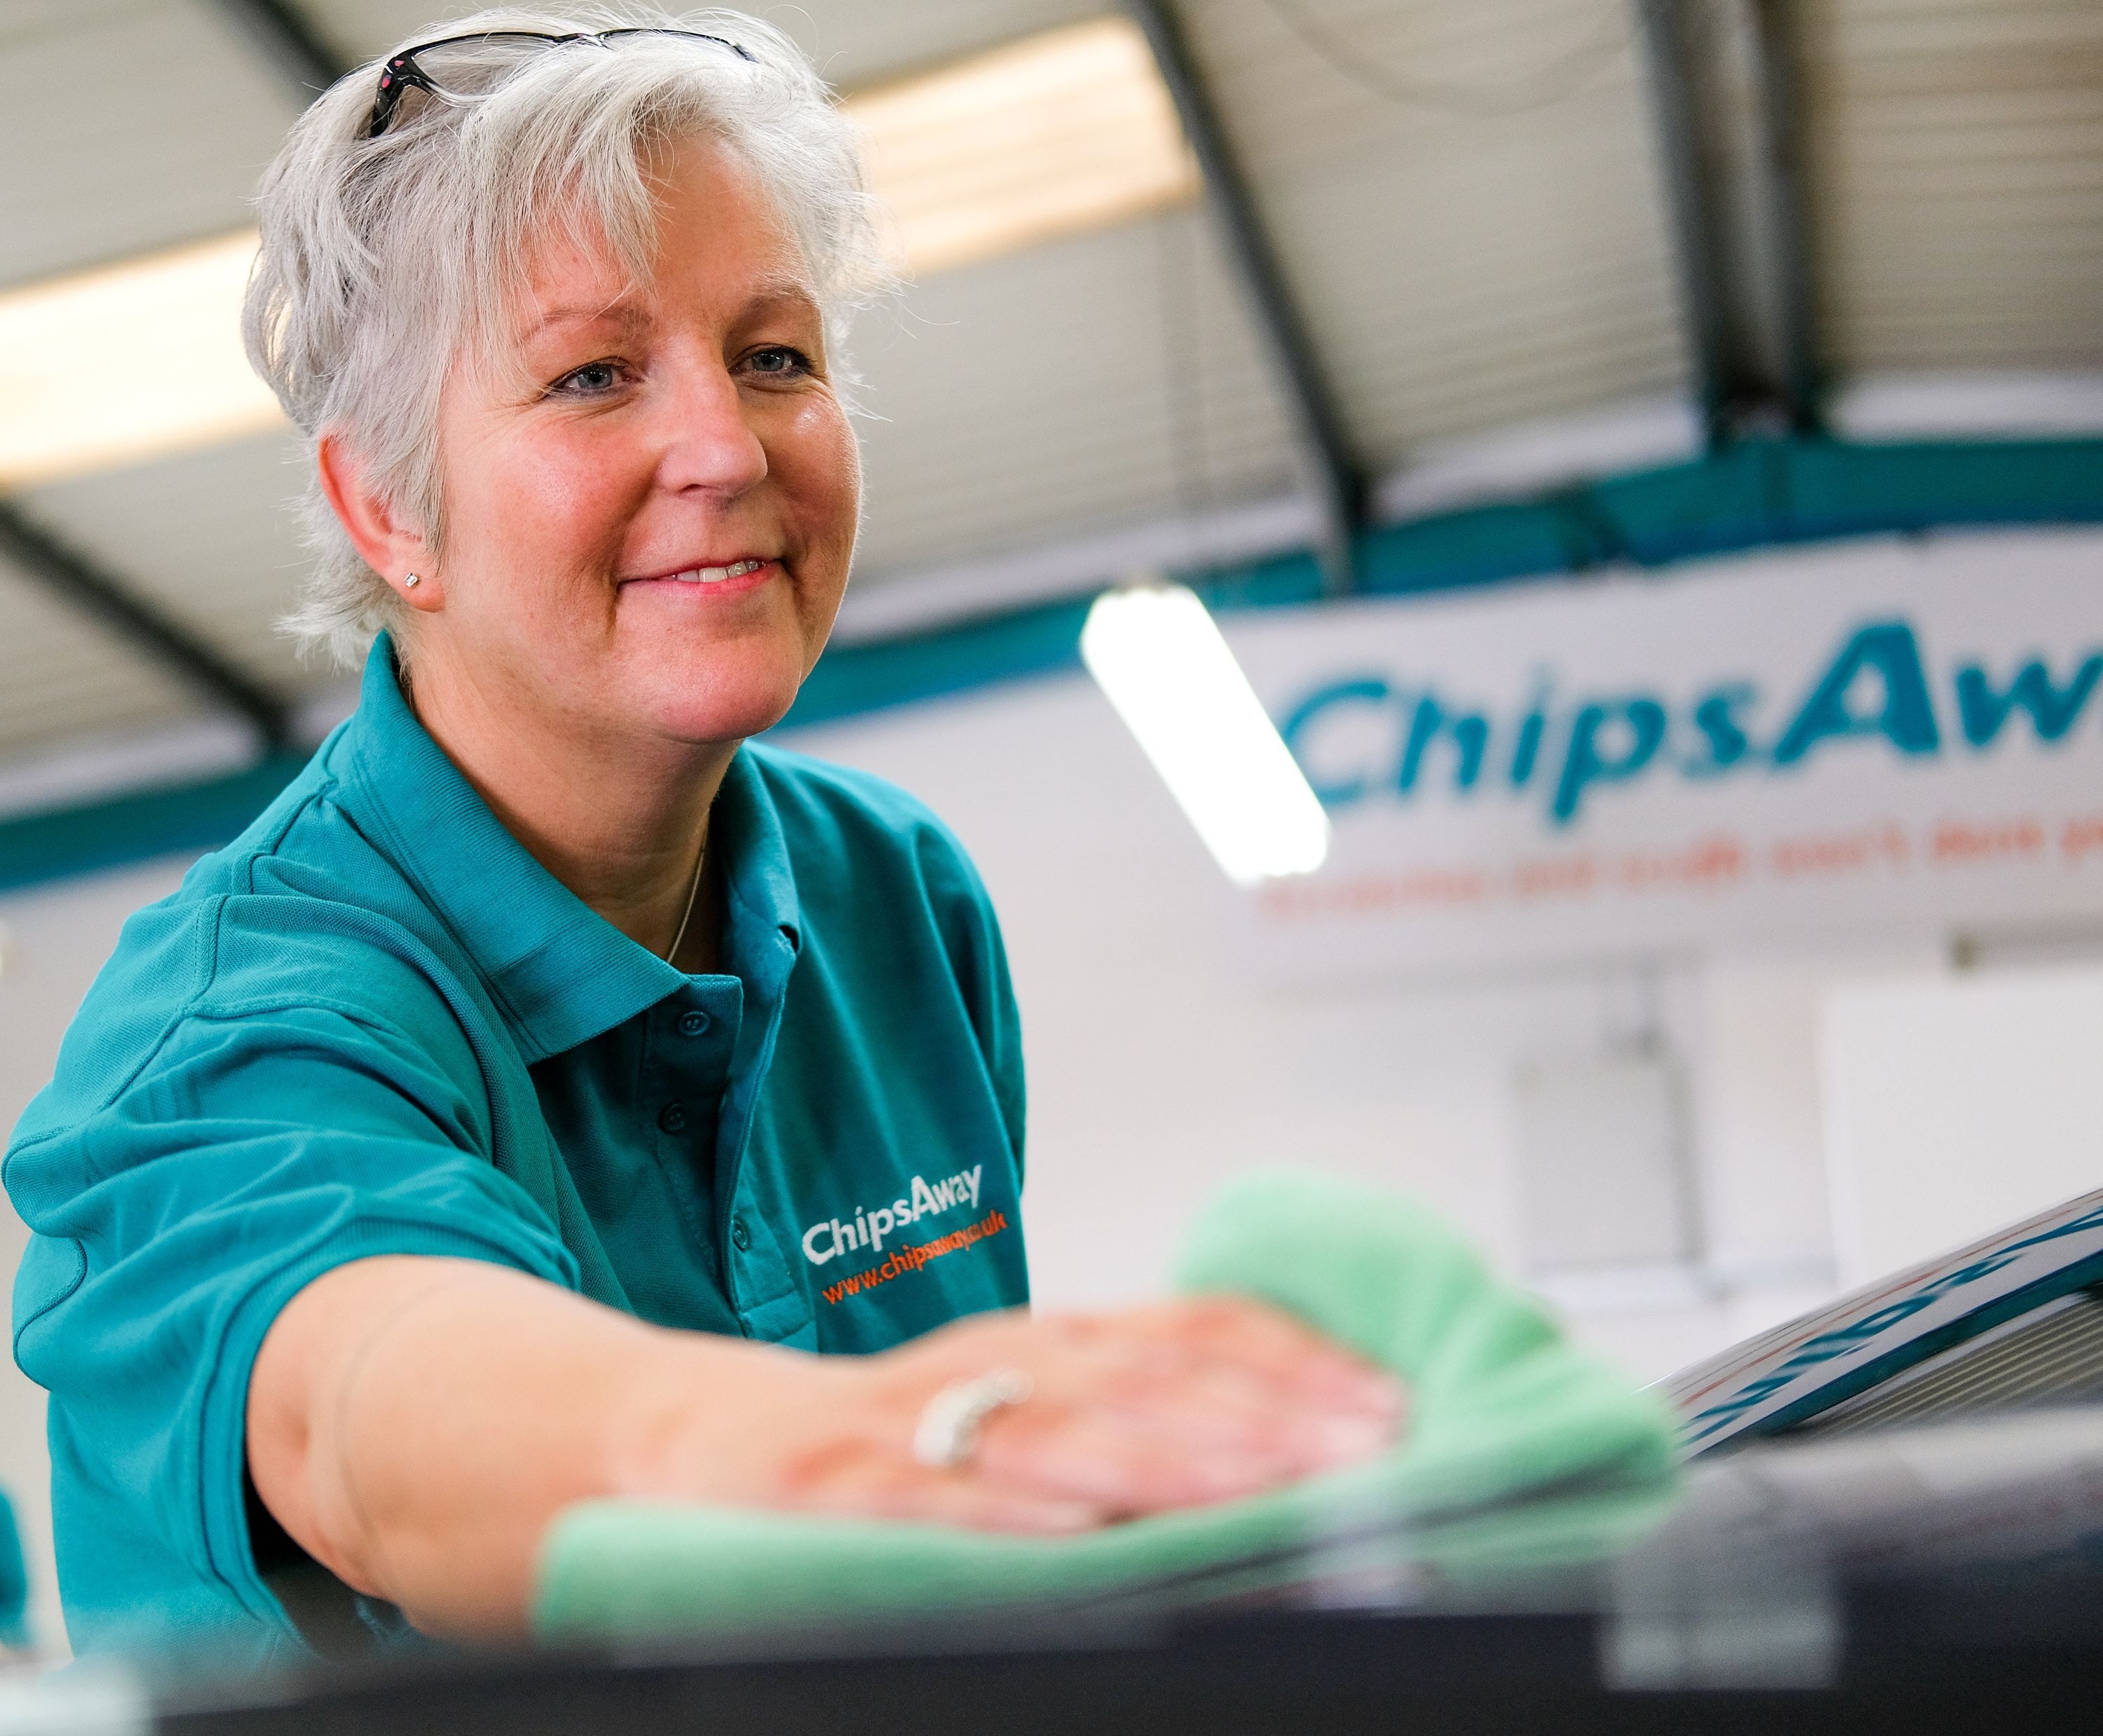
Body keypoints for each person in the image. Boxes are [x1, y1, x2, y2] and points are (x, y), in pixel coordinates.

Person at [5, 11, 1399, 1661]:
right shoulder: (235, 1031)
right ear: (389, 505)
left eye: (775, 354)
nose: (728, 448)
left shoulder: (896, 899)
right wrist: (897, 1448)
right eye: (593, 374)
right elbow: (369, 1417)